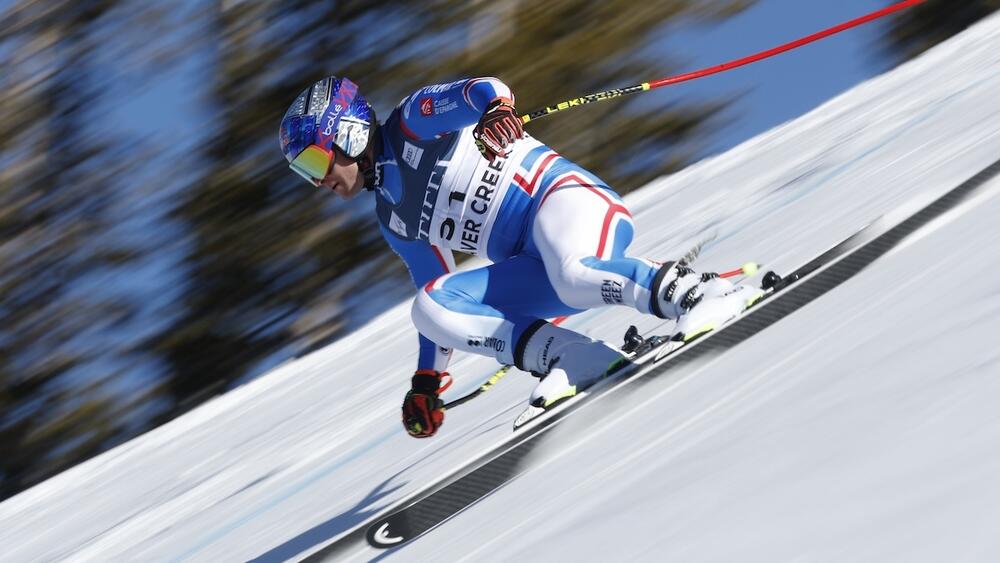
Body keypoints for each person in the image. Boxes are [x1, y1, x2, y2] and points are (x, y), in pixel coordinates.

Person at [279, 76, 761, 438]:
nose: (318, 180)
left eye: (315, 161)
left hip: (567, 201)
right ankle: (571, 357)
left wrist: (495, 110)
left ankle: (697, 293)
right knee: (428, 307)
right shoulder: (393, 219)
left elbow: (482, 89)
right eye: (305, 172)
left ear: (347, 133)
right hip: (535, 267)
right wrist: (428, 379)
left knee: (573, 274)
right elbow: (438, 300)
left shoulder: (413, 122)